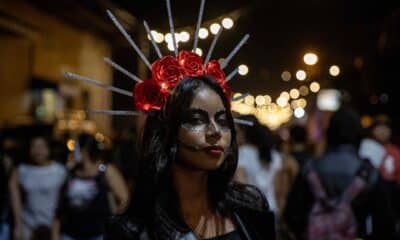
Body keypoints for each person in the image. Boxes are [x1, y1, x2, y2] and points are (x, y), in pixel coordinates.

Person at [105, 75, 276, 239]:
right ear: (166, 131)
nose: (215, 131)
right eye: (196, 120)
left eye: (223, 121)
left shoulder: (250, 204)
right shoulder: (132, 230)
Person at [284, 106, 396, 239]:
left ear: (330, 133)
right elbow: (385, 224)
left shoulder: (311, 168)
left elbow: (291, 214)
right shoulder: (368, 172)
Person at [53, 133, 129, 240]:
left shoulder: (105, 170)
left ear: (84, 150)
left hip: (98, 235)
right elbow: (60, 206)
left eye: (76, 147)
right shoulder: (71, 172)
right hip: (70, 234)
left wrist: (112, 222)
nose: (73, 151)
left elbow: (124, 199)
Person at [235, 115, 298, 216]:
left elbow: (241, 186)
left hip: (251, 211)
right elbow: (280, 190)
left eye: (237, 132)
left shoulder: (242, 154)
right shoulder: (274, 155)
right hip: (272, 209)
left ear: (245, 132)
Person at [9, 135, 66, 240]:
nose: (37, 150)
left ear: (49, 149)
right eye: (34, 146)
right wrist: (17, 225)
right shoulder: (23, 170)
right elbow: (14, 193)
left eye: (41, 146)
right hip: (28, 226)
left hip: (52, 227)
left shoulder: (59, 171)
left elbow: (63, 202)